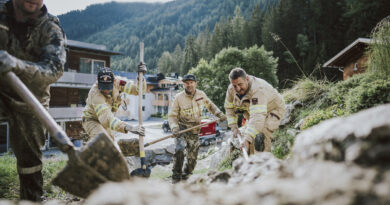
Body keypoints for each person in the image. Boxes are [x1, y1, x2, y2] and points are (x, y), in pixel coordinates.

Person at [0, 0, 66, 201]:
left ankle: (31, 200)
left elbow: (54, 70)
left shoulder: (50, 27)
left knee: (30, 164)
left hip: (31, 100)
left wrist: (18, 66)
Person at [168, 74, 227, 183]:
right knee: (180, 149)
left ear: (195, 83)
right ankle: (176, 176)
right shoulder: (178, 98)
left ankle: (187, 175)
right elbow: (172, 116)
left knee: (192, 157)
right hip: (181, 128)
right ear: (183, 84)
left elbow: (211, 106)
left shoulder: (201, 95)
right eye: (186, 83)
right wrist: (174, 128)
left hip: (195, 130)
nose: (189, 85)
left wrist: (219, 114)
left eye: (191, 82)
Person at [224, 67, 285, 154]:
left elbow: (258, 117)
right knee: (249, 141)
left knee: (260, 136)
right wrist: (233, 127)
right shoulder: (231, 89)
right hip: (254, 114)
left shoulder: (258, 89)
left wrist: (248, 138)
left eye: (240, 84)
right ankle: (252, 164)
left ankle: (263, 163)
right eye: (234, 86)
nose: (237, 89)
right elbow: (229, 108)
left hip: (273, 110)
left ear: (247, 79)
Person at [82, 67, 145, 143]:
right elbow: (106, 119)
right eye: (103, 87)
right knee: (103, 141)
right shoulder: (95, 94)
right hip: (91, 120)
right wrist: (129, 127)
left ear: (114, 81)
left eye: (108, 87)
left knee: (111, 144)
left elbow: (138, 91)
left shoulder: (119, 83)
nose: (106, 90)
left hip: (107, 119)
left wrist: (140, 79)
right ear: (97, 81)